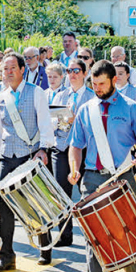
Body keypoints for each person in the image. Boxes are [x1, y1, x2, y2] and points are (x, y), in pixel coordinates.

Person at [68, 60, 136, 272]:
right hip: (93, 178)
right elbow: (76, 144)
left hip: (122, 176)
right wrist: (75, 167)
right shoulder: (86, 109)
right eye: (93, 84)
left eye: (102, 84)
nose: (97, 88)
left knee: (129, 230)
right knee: (93, 237)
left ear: (114, 81)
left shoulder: (132, 108)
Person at [0, 53, 55, 270]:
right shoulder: (0, 97)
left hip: (29, 155)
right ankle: (6, 256)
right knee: (4, 207)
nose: (8, 72)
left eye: (12, 68)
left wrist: (43, 149)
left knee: (35, 203)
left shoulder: (36, 92)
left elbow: (45, 123)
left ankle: (45, 246)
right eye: (4, 69)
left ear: (21, 70)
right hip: (7, 156)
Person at [49, 58, 95, 247]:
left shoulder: (92, 97)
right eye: (69, 70)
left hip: (84, 149)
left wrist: (76, 120)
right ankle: (64, 234)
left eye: (76, 71)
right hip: (61, 147)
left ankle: (92, 233)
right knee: (61, 191)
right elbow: (52, 122)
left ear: (85, 74)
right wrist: (62, 121)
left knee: (87, 192)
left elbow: (94, 125)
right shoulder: (60, 96)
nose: (72, 74)